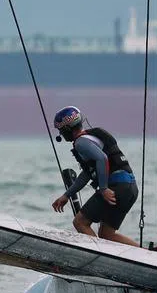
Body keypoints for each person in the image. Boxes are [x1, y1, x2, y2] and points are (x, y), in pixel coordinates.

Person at [50, 105, 139, 247]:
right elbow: (87, 174)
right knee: (107, 235)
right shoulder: (91, 137)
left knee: (80, 222)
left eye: (61, 130)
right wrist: (67, 195)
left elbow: (102, 158)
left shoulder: (80, 143)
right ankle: (149, 253)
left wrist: (103, 189)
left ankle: (100, 256)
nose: (60, 133)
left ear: (67, 129)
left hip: (116, 186)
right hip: (129, 188)